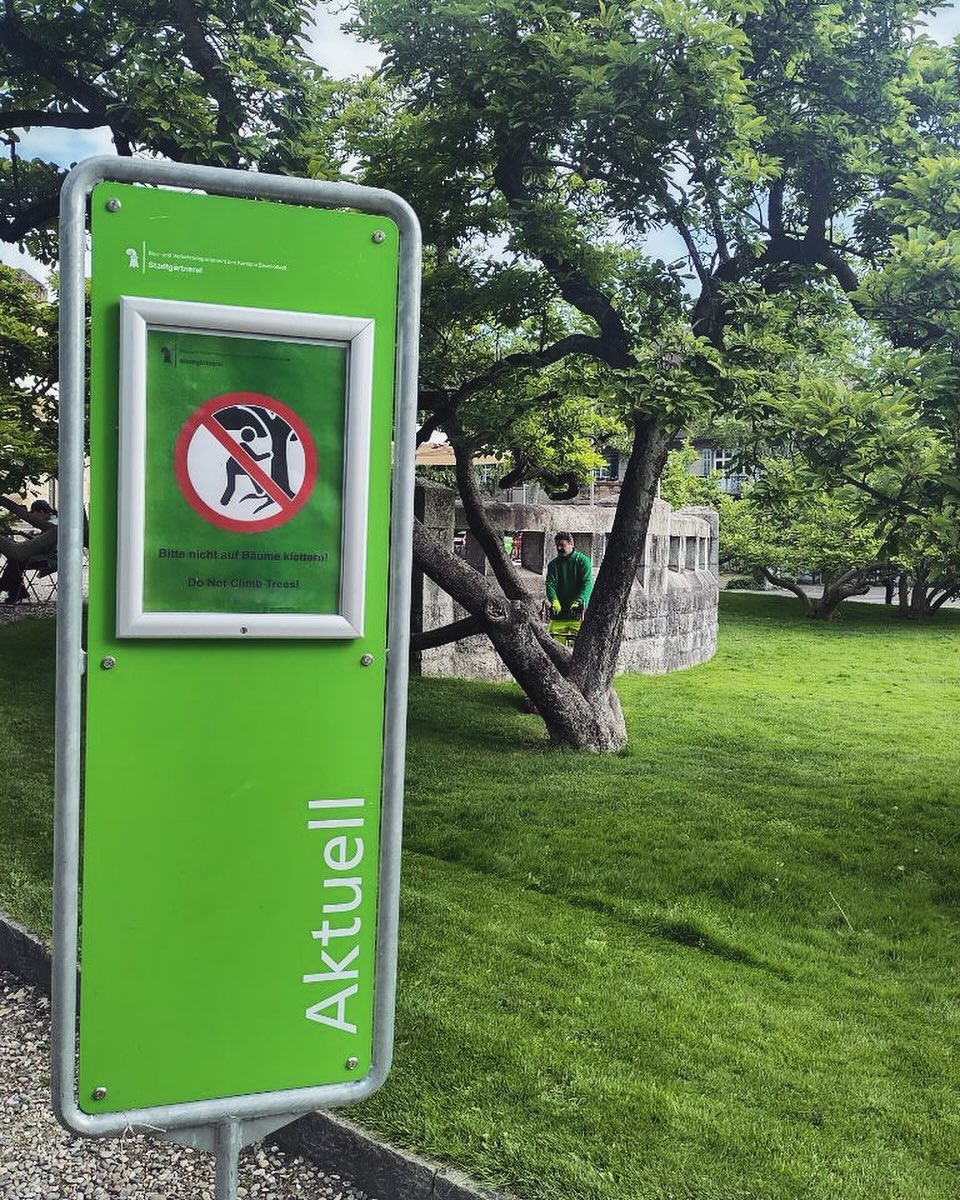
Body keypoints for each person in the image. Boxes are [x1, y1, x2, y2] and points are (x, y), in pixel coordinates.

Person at [0, 497, 58, 604]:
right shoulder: (52, 523)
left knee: (17, 560)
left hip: (51, 558)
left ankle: (8, 587)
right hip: (46, 555)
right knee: (16, 560)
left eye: (34, 514)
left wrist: (33, 541)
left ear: (41, 513)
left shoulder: (53, 524)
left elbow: (45, 547)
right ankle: (14, 591)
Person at [545, 532, 593, 620]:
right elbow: (550, 584)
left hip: (578, 610)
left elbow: (587, 583)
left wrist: (580, 600)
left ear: (571, 543)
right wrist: (554, 600)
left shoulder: (583, 561)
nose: (559, 548)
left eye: (562, 545)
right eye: (557, 545)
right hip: (559, 612)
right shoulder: (553, 564)